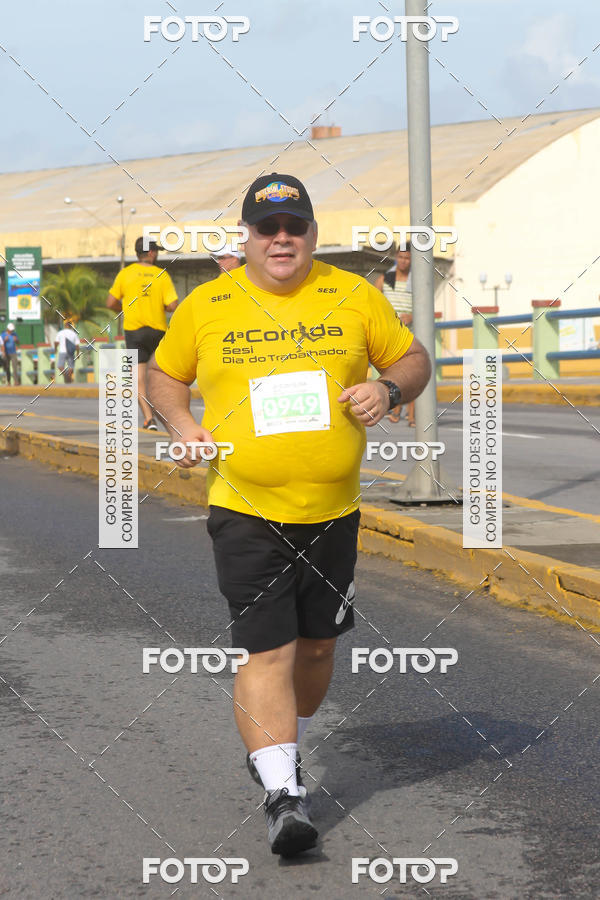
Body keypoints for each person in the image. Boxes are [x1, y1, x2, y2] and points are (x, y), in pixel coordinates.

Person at [147, 173, 430, 858]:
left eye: (293, 227)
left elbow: (415, 359)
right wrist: (183, 425)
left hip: (333, 512)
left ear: (309, 233)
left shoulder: (353, 294)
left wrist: (387, 389)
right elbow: (163, 375)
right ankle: (283, 792)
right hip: (244, 506)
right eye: (266, 228)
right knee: (266, 649)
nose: (280, 239)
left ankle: (282, 734)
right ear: (246, 236)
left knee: (317, 650)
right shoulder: (207, 304)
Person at [106, 237, 178, 429]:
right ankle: (170, 419)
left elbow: (110, 303)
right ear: (152, 253)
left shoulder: (125, 274)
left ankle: (149, 419)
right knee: (162, 376)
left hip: (134, 332)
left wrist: (127, 308)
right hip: (158, 332)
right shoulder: (161, 275)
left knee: (137, 379)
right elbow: (172, 305)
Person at [377, 243, 415, 425]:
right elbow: (373, 303)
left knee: (413, 373)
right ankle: (397, 409)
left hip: (410, 334)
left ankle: (412, 416)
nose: (403, 261)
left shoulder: (416, 282)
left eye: (407, 258)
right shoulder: (385, 279)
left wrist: (413, 315)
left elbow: (425, 306)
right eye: (400, 257)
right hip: (391, 334)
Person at [54, 319, 80, 383]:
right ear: (71, 326)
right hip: (71, 352)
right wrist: (77, 353)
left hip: (62, 351)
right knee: (71, 367)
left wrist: (55, 349)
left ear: (65, 326)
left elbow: (56, 342)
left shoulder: (60, 333)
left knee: (60, 366)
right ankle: (69, 379)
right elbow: (77, 345)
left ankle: (66, 377)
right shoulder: (74, 334)